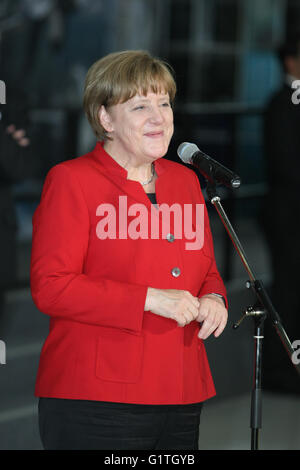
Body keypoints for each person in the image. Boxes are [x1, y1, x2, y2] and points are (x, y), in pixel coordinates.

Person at [30, 50, 228, 451]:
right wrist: (151, 299)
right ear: (105, 119)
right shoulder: (71, 180)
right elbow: (51, 286)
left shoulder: (186, 181)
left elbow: (204, 267)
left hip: (181, 387)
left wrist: (214, 297)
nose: (159, 117)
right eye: (140, 106)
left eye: (164, 103)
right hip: (98, 397)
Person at [261, 34, 300, 394]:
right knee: (287, 293)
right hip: (288, 216)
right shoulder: (281, 103)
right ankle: (281, 373)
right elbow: (286, 166)